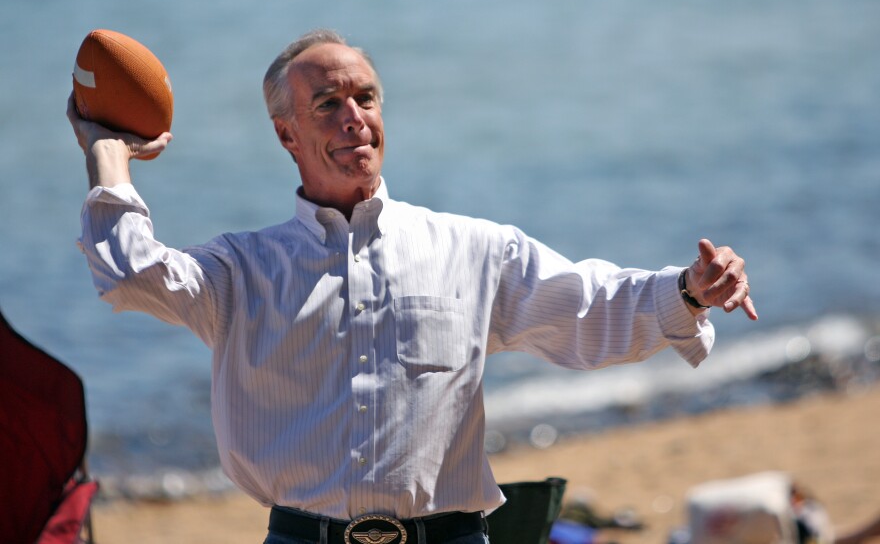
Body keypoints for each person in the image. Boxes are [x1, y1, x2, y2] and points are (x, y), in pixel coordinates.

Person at [68, 28, 758, 544]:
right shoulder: (242, 271)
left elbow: (587, 307)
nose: (353, 118)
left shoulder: (471, 248)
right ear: (285, 134)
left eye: (364, 98)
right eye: (328, 103)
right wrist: (108, 154)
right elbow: (129, 272)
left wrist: (690, 290)